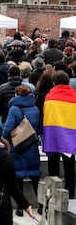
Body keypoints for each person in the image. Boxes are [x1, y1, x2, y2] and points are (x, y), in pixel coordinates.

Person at [2, 85, 41, 217]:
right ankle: (40, 205)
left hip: (18, 146)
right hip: (32, 145)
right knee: (35, 174)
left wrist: (4, 140)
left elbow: (7, 129)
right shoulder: (35, 108)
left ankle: (20, 207)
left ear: (17, 95)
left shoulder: (14, 109)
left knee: (19, 176)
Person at [43, 70, 76, 199]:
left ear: (54, 82)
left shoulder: (49, 96)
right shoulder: (74, 96)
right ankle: (71, 197)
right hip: (70, 138)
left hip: (53, 138)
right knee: (69, 171)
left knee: (53, 171)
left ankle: (53, 197)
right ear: (68, 81)